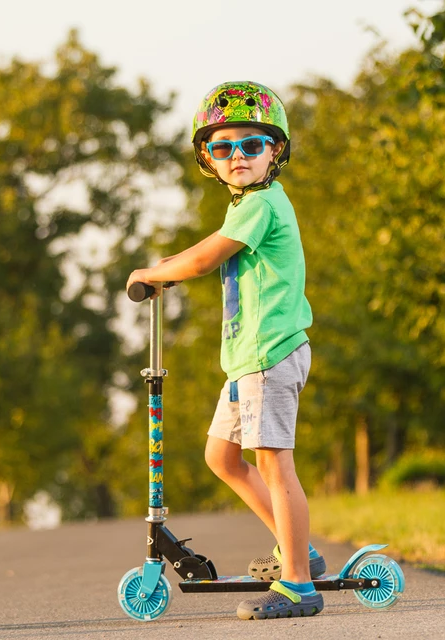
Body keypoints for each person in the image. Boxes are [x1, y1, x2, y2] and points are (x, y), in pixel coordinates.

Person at [126, 81, 326, 620]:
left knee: (273, 463)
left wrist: (154, 272)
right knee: (221, 456)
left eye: (251, 144)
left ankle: (300, 585)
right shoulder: (245, 209)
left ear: (274, 151)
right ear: (207, 160)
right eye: (222, 147)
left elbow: (202, 261)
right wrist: (163, 269)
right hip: (248, 360)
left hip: (270, 355)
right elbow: (201, 249)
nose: (237, 155)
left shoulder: (262, 204)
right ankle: (297, 546)